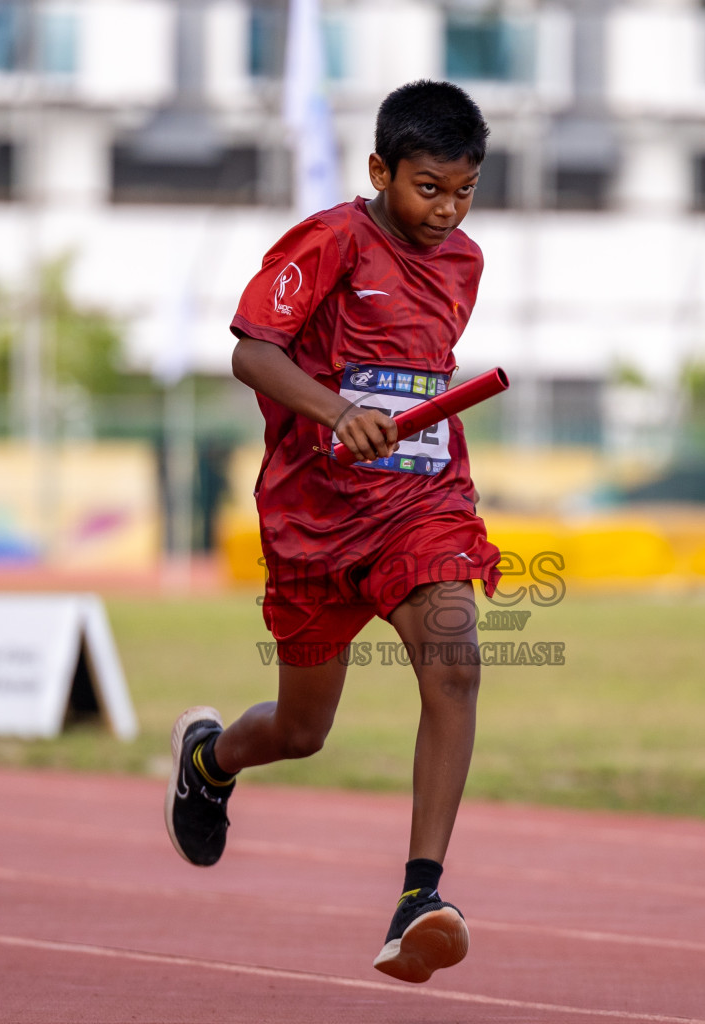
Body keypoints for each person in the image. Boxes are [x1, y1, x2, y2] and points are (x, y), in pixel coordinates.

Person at [164, 80, 500, 984]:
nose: (447, 210)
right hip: (315, 519)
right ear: (380, 169)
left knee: (458, 662)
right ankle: (211, 758)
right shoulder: (330, 240)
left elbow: (418, 371)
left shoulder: (465, 260)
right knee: (304, 731)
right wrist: (336, 410)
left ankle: (419, 896)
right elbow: (251, 350)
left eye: (465, 190)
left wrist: (400, 416)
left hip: (420, 506)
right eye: (429, 187)